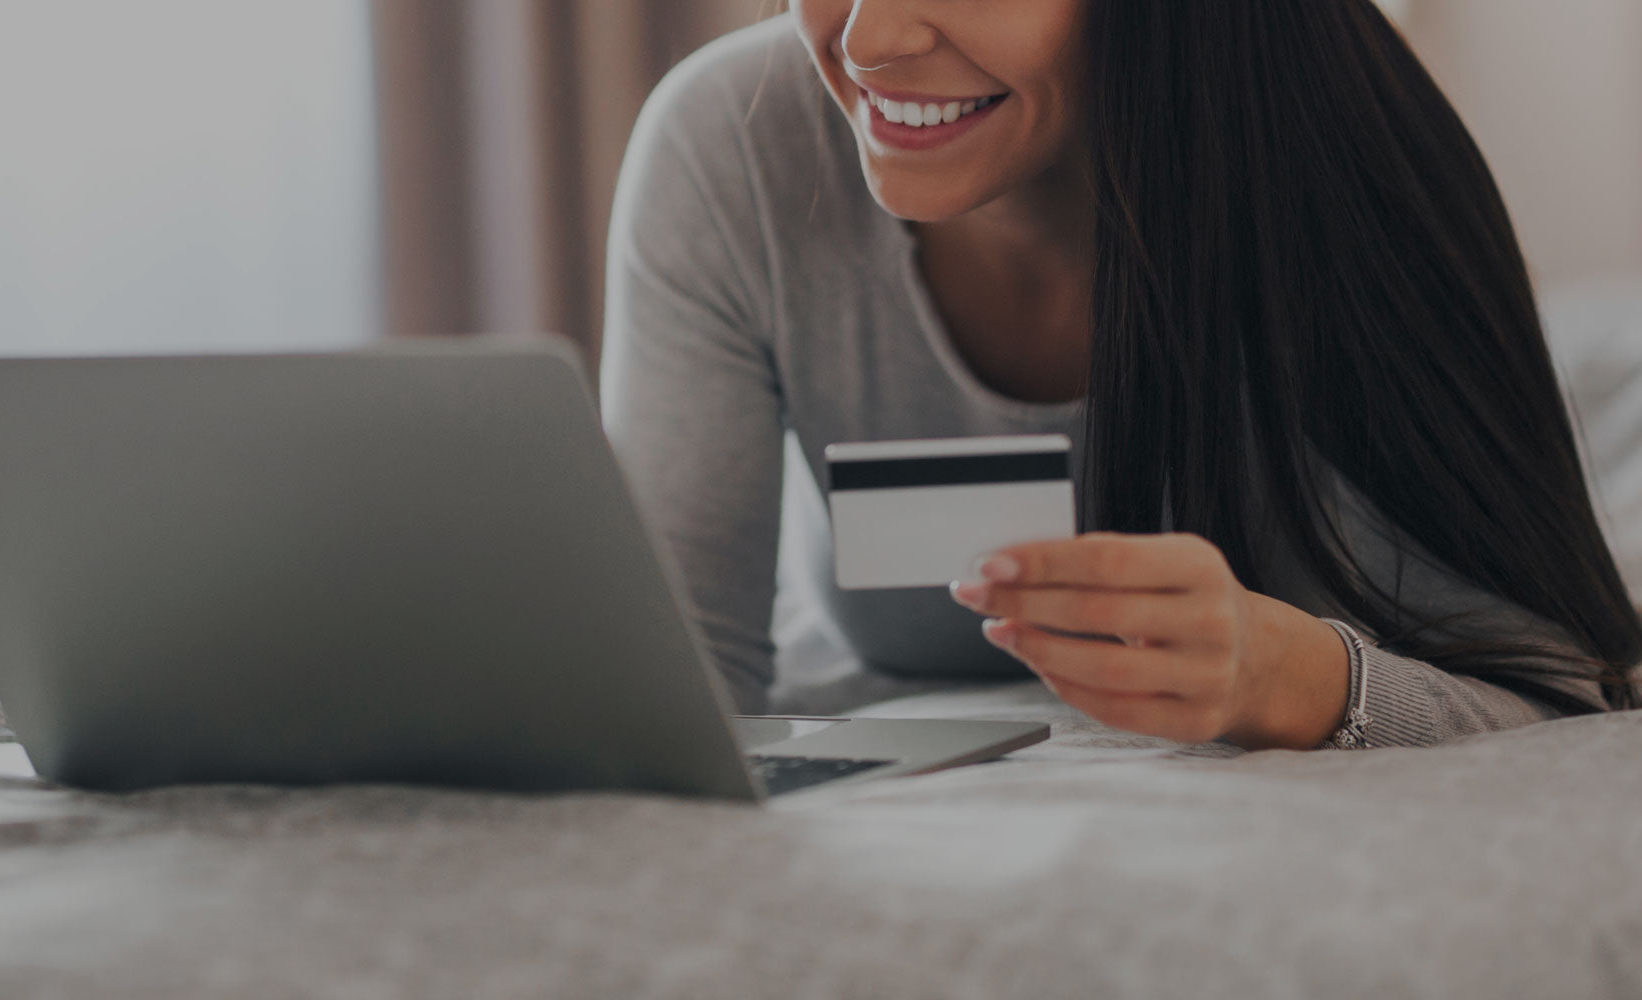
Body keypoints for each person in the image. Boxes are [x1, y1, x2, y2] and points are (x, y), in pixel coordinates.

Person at [598, 0, 1642, 749]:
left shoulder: (1357, 183)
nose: (870, 40)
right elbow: (666, 698)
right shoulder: (726, 147)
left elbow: (1565, 688)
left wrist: (1289, 673)